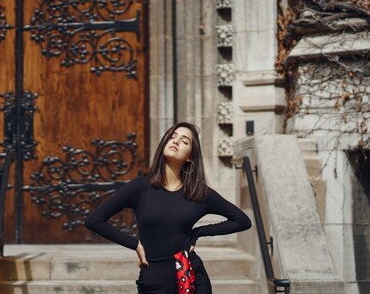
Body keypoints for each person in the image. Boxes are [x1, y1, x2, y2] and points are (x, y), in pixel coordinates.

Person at [85, 122, 252, 294]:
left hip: (191, 274)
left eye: (184, 141)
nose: (176, 141)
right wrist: (134, 243)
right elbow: (94, 220)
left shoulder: (198, 193)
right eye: (173, 137)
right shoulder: (140, 187)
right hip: (154, 278)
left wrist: (199, 232)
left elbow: (242, 221)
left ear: (190, 157)